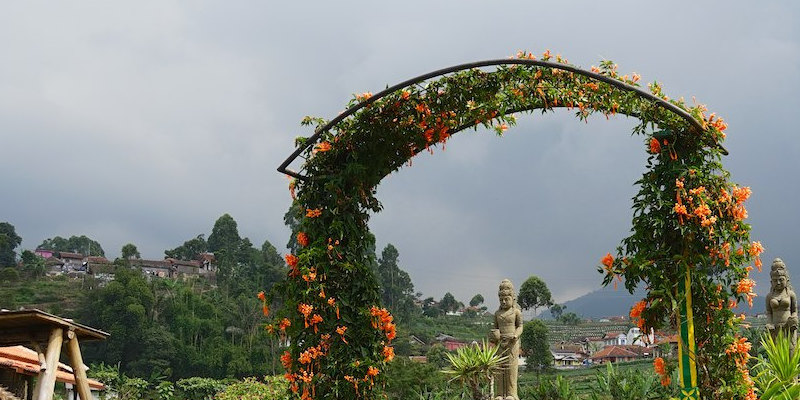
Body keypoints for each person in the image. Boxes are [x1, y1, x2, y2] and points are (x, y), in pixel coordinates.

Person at [490, 279, 523, 400]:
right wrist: (494, 336)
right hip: (500, 345)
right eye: (501, 300)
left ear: (512, 298)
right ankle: (500, 393)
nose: (503, 302)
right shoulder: (497, 313)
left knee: (511, 370)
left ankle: (511, 393)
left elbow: (520, 326)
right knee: (500, 369)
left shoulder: (516, 312)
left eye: (506, 299)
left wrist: (515, 335)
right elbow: (494, 328)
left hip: (512, 344)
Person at [765, 258, 798, 346]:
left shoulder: (791, 294)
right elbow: (769, 312)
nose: (778, 283)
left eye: (781, 280)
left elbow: (794, 310)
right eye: (775, 280)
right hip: (775, 328)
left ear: (786, 280)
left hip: (789, 327)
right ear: (771, 282)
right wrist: (769, 323)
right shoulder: (769, 296)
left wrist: (793, 318)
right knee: (776, 352)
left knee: (790, 352)